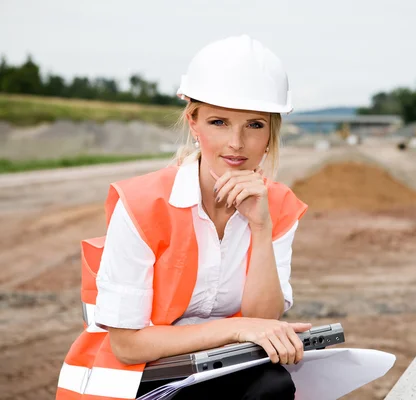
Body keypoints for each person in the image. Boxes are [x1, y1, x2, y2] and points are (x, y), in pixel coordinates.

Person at [56, 35, 311, 400]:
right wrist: (235, 331)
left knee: (273, 385)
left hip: (219, 371)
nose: (236, 143)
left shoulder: (279, 206)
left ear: (271, 132)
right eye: (219, 122)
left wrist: (260, 226)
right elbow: (127, 345)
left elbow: (262, 316)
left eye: (254, 125)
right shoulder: (143, 204)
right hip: (135, 381)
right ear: (194, 123)